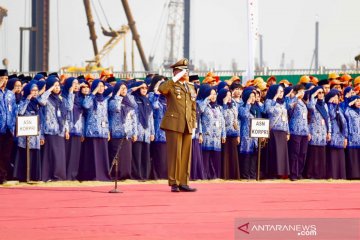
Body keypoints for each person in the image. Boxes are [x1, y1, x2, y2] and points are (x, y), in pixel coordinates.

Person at [158, 58, 197, 192]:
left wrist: (194, 124)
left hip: (187, 124)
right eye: (182, 71)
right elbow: (161, 89)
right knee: (175, 154)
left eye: (187, 71)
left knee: (186, 154)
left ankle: (184, 182)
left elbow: (193, 107)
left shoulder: (191, 86)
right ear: (176, 72)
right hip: (174, 123)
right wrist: (175, 78)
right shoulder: (171, 85)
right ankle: (174, 182)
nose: (186, 73)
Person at [79, 79, 110, 181]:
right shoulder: (90, 98)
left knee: (102, 155)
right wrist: (93, 92)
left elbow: (106, 116)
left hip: (103, 131)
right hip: (92, 131)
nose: (100, 88)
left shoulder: (105, 100)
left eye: (102, 86)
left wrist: (108, 130)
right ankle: (93, 175)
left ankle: (103, 175)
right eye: (98, 86)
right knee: (93, 155)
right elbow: (86, 105)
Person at [38, 76, 68, 181]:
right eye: (54, 86)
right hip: (50, 130)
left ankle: (59, 176)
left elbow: (66, 115)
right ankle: (49, 175)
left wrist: (66, 129)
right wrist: (49, 90)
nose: (57, 88)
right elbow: (41, 101)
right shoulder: (47, 99)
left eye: (58, 85)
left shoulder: (62, 99)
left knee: (59, 155)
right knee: (51, 154)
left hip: (60, 130)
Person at [108, 81, 137, 180]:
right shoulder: (113, 101)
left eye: (125, 88)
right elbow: (116, 108)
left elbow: (134, 118)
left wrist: (134, 132)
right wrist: (117, 96)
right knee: (117, 155)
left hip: (127, 133)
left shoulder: (129, 102)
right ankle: (116, 175)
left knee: (126, 156)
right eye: (121, 88)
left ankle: (126, 174)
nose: (124, 90)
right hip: (117, 132)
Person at [13, 81, 42, 181]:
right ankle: (23, 176)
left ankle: (34, 176)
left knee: (34, 154)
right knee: (25, 154)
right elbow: (20, 112)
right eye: (32, 90)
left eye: (36, 90)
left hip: (35, 133)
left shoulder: (38, 102)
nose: (35, 92)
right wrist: (27, 100)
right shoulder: (22, 101)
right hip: (25, 134)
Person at [198, 85, 226, 179]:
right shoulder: (203, 105)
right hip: (206, 136)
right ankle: (205, 175)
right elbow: (200, 113)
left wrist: (223, 134)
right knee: (206, 157)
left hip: (217, 137)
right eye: (210, 94)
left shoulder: (219, 107)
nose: (213, 96)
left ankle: (215, 176)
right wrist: (200, 134)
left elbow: (222, 121)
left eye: (214, 94)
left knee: (216, 157)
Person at [264, 84, 290, 178]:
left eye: (282, 92)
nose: (281, 93)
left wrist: (288, 131)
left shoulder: (283, 103)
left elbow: (286, 118)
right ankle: (273, 173)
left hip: (282, 130)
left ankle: (281, 173)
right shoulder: (269, 101)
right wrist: (274, 99)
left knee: (281, 153)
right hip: (273, 130)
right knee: (274, 152)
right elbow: (268, 111)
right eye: (279, 91)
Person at [306, 86, 331, 179]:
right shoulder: (313, 102)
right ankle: (311, 174)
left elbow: (327, 119)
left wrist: (329, 132)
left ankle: (320, 174)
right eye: (319, 93)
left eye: (322, 93)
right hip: (314, 131)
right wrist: (313, 95)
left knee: (321, 155)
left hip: (323, 132)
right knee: (314, 154)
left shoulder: (324, 105)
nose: (320, 95)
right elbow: (310, 107)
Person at [287, 84, 309, 180]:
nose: (302, 93)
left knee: (302, 153)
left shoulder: (304, 103)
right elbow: (288, 107)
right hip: (295, 130)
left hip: (304, 131)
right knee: (295, 153)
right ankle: (293, 174)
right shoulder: (293, 101)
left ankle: (299, 172)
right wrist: (295, 96)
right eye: (300, 91)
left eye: (303, 92)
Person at [217, 88, 240, 180]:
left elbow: (236, 121)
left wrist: (238, 134)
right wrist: (225, 104)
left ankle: (234, 175)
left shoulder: (234, 107)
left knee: (233, 155)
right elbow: (223, 116)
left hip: (233, 133)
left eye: (230, 95)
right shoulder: (220, 107)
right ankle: (225, 175)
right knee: (226, 155)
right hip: (225, 134)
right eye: (227, 95)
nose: (229, 97)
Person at [325, 89, 347, 179]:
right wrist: (330, 104)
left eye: (337, 97)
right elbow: (331, 116)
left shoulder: (340, 108)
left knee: (340, 158)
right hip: (333, 136)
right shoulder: (328, 106)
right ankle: (332, 175)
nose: (336, 99)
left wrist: (345, 137)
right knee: (332, 157)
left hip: (340, 137)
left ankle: (340, 176)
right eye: (333, 97)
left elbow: (344, 123)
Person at [0, 69, 17, 184]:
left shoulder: (10, 94)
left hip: (8, 128)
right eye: (2, 79)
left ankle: (2, 176)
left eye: (6, 79)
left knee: (5, 154)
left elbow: (14, 110)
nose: (4, 81)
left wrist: (13, 127)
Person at [344, 96, 360, 179]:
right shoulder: (349, 111)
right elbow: (345, 114)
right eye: (357, 101)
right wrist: (349, 104)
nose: (359, 103)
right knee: (353, 157)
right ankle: (353, 175)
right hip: (352, 137)